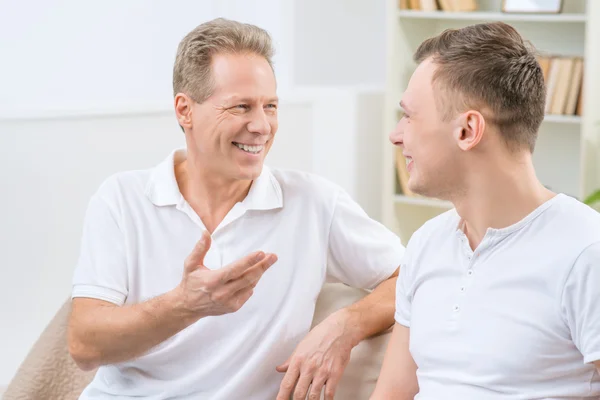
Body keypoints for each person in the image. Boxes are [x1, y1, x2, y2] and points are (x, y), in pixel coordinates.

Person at [67, 17, 403, 400]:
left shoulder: (313, 204)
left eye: (271, 106)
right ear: (184, 110)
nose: (261, 126)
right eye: (241, 107)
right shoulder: (121, 199)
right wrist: (186, 304)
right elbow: (84, 345)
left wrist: (344, 326)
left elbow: (413, 278)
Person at [371, 21, 600, 399]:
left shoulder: (586, 252)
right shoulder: (427, 244)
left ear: (467, 130)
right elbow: (392, 393)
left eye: (409, 116)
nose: (397, 135)